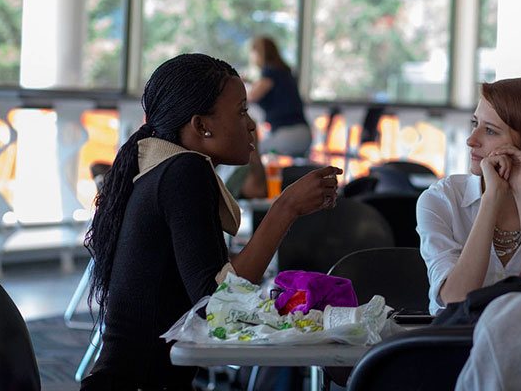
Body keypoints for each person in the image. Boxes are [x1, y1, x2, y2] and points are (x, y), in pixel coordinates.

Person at [82, 53, 341, 390]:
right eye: (242, 111)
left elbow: (206, 279)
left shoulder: (168, 169)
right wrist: (285, 208)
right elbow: (216, 304)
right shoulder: (184, 172)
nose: (251, 124)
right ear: (201, 126)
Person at [417, 78, 521, 315]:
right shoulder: (441, 200)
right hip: (452, 347)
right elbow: (454, 300)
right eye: (474, 123)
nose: (471, 140)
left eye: (490, 131)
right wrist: (491, 198)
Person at [248, 36, 311, 157]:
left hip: (290, 135)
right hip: (301, 133)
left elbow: (251, 96)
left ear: (259, 53)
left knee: (250, 151)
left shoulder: (270, 72)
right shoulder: (283, 72)